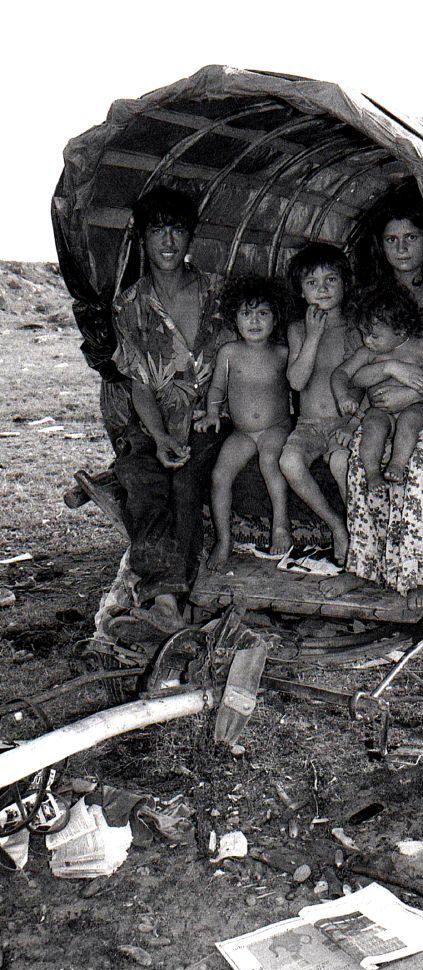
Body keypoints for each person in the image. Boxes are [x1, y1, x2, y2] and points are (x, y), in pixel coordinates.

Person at [329, 193, 423, 610]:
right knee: (367, 453)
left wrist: (412, 392)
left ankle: (422, 575)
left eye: (411, 237)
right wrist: (391, 375)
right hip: (382, 403)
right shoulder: (366, 299)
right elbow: (353, 369)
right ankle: (362, 567)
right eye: (391, 239)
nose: (401, 248)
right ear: (380, 245)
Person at [112, 186, 228, 634]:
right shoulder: (131, 304)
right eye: (156, 230)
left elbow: (241, 357)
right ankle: (164, 600)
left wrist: (210, 414)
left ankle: (187, 595)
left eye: (176, 230)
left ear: (190, 237)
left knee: (185, 480)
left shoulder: (215, 291)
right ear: (142, 238)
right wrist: (159, 437)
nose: (167, 242)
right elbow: (140, 384)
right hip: (156, 418)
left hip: (213, 414)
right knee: (141, 477)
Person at [195, 276, 292, 569]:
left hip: (276, 428)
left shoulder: (283, 353)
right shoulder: (229, 353)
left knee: (270, 461)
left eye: (263, 313)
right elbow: (217, 389)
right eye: (246, 314)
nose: (254, 321)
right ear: (234, 318)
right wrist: (212, 413)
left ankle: (280, 524)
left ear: (276, 319)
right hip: (241, 432)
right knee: (219, 476)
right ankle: (224, 540)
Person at [332, 283, 423, 491]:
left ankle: (397, 464)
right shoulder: (367, 353)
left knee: (409, 419)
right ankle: (373, 473)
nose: (367, 340)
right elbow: (341, 374)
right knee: (372, 427)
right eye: (364, 333)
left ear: (401, 330)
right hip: (380, 410)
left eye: (374, 335)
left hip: (416, 407)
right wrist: (342, 397)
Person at [278, 243, 362, 564]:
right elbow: (297, 382)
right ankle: (337, 527)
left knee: (341, 462)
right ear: (301, 291)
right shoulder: (298, 330)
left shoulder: (356, 328)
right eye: (312, 283)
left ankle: (360, 532)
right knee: (289, 462)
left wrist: (354, 424)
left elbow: (367, 383)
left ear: (344, 283)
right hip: (309, 425)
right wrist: (313, 336)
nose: (322, 289)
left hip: (345, 423)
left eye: (331, 280)